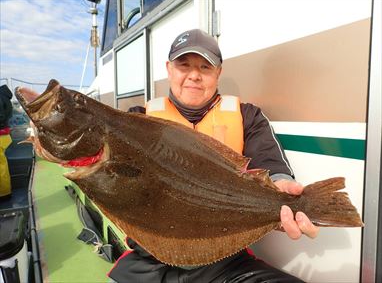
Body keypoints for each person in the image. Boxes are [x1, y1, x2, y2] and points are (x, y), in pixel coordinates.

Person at [108, 29, 319, 282]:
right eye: (183, 65)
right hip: (148, 261)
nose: (194, 75)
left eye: (205, 67)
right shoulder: (138, 119)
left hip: (224, 262)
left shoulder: (247, 116)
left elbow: (269, 163)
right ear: (169, 69)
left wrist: (281, 188)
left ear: (218, 72)